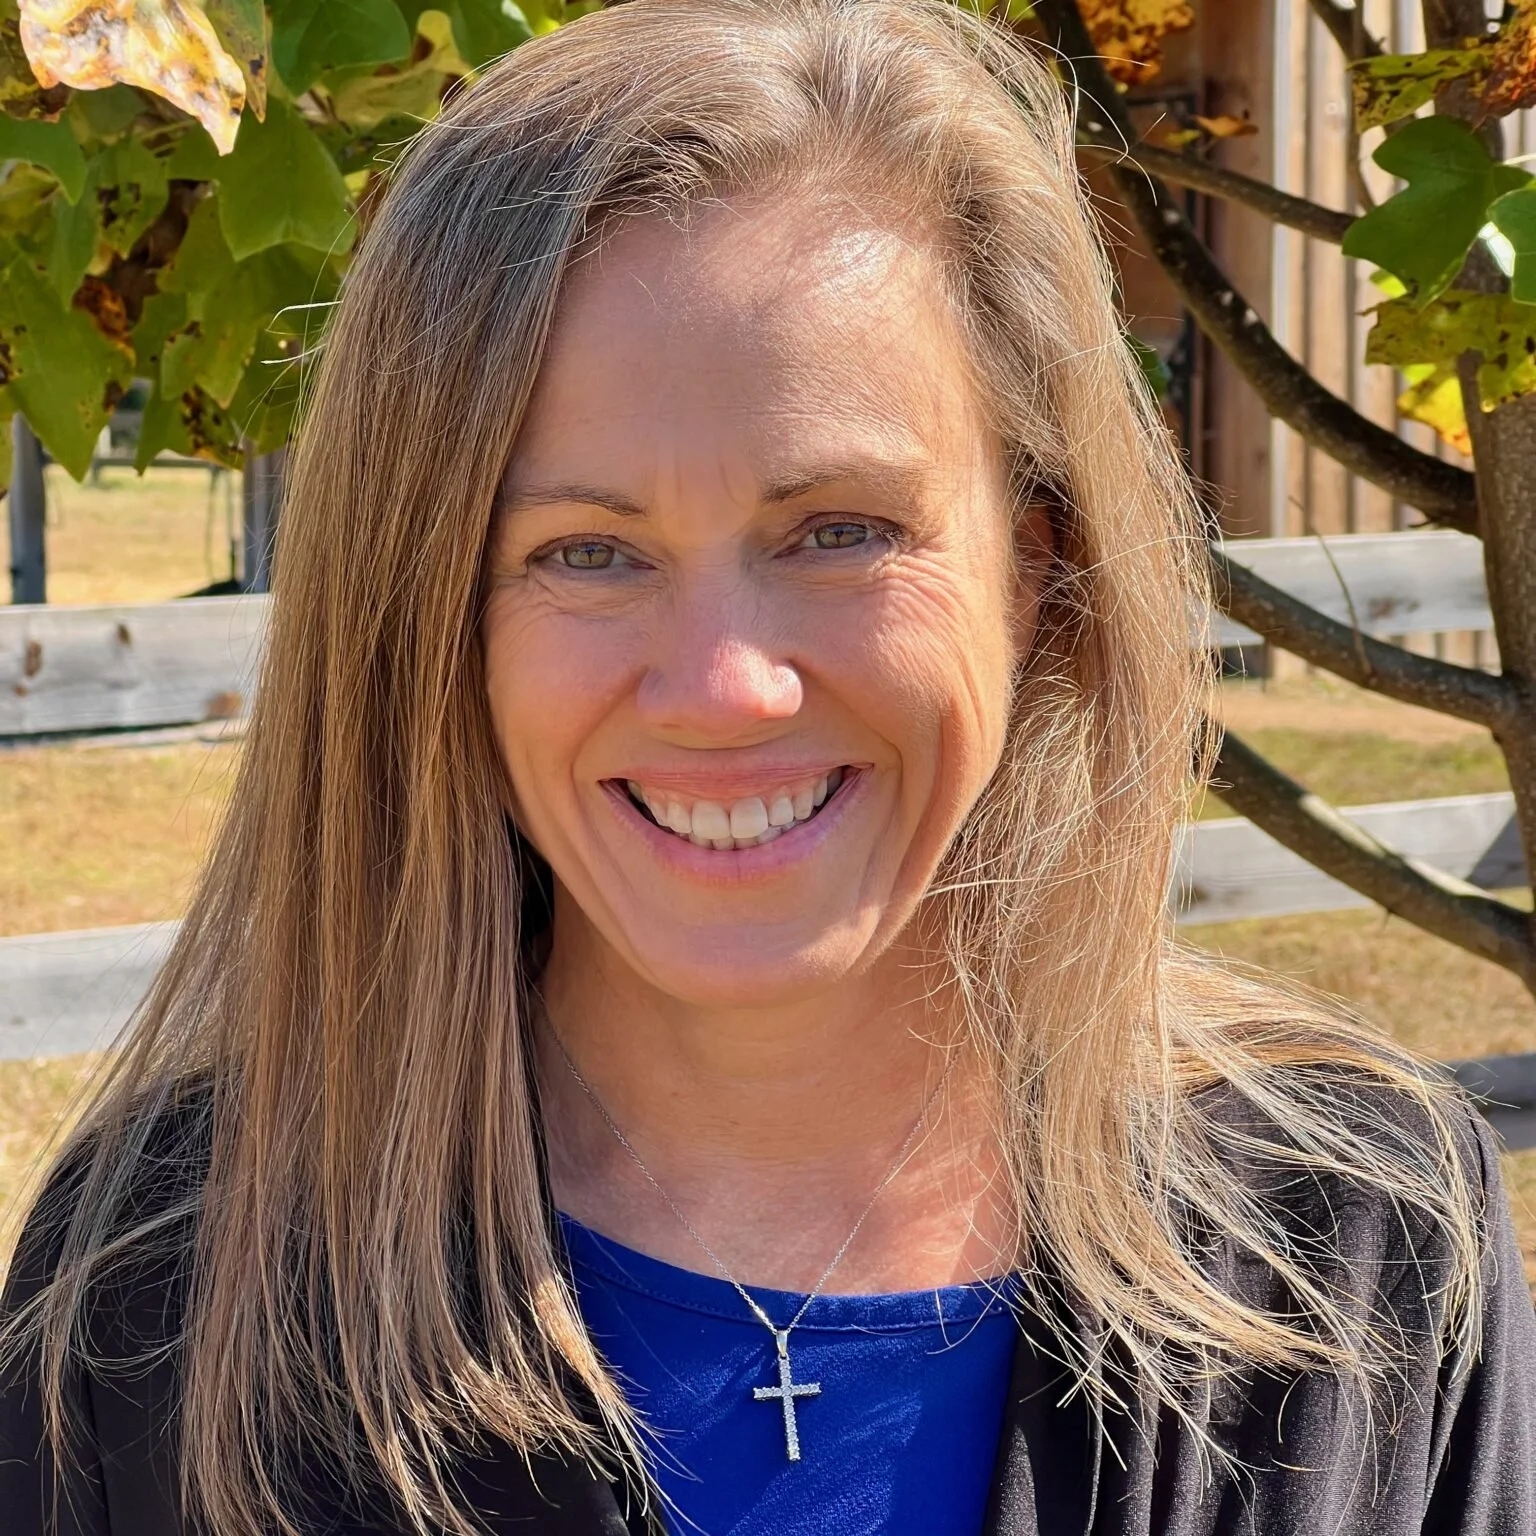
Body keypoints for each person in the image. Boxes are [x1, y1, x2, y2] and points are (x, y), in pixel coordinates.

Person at [3, 1, 1533, 1532]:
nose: (726, 689)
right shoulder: (164, 1299)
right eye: (586, 552)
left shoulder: (1373, 1245)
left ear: (1037, 572)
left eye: (842, 532)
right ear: (430, 624)